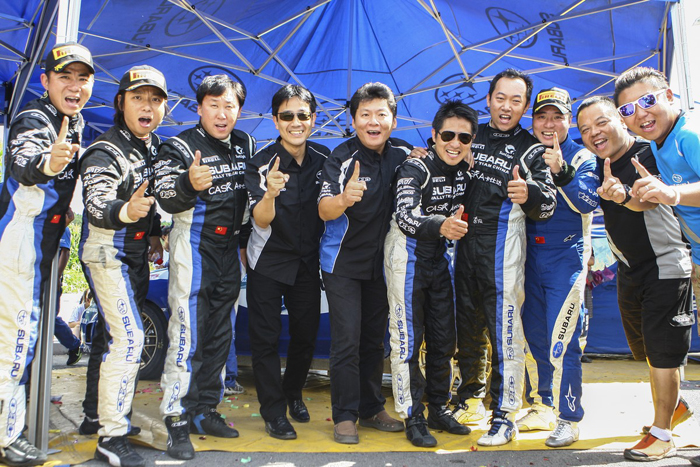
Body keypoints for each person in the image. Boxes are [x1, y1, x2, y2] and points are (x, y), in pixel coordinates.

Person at [576, 96, 693, 462]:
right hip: (630, 269)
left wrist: (624, 195)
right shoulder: (598, 164)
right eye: (585, 129)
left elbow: (649, 199)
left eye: (601, 122)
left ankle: (662, 435)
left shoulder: (648, 153)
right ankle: (675, 406)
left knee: (662, 352)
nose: (594, 133)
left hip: (665, 266)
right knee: (645, 350)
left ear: (620, 119)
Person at [0, 41, 93, 466]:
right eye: (64, 77)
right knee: (16, 341)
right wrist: (48, 164)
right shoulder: (34, 118)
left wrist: (64, 207)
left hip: (44, 245)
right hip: (20, 243)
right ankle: (6, 438)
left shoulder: (74, 121)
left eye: (82, 78)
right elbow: (24, 163)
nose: (74, 86)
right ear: (45, 81)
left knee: (28, 339)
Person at [452, 68, 557, 446]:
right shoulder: (468, 135)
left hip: (503, 253)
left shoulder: (532, 148)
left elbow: (547, 205)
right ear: (488, 99)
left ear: (525, 107)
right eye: (500, 98)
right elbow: (439, 169)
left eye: (515, 100)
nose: (506, 106)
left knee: (505, 334)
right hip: (463, 247)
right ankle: (470, 400)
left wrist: (529, 193)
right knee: (467, 330)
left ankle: (505, 415)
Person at [156, 74, 254, 460]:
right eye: (213, 105)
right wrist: (187, 183)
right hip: (193, 245)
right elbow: (166, 197)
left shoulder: (245, 143)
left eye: (229, 106)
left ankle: (205, 410)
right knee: (187, 335)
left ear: (239, 110)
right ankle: (176, 416)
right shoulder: (178, 146)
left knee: (220, 336)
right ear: (199, 108)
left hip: (230, 249)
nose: (221, 113)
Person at [79, 65, 167, 467]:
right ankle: (111, 436)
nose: (147, 106)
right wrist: (126, 211)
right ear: (120, 103)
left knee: (110, 338)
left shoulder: (154, 145)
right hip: (106, 251)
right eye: (138, 98)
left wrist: (153, 232)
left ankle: (95, 415)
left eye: (155, 99)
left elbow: (152, 197)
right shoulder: (104, 150)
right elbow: (97, 204)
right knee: (130, 339)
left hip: (135, 254)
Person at [318, 82, 410, 444]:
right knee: (347, 340)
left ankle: (372, 408)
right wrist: (344, 198)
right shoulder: (340, 157)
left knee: (374, 341)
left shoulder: (403, 154)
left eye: (381, 114)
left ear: (393, 120)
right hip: (341, 263)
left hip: (381, 264)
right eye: (365, 114)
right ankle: (344, 415)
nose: (373, 122)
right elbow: (324, 210)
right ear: (354, 120)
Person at [384, 100, 476, 447]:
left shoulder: (466, 169)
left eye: (464, 138)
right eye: (448, 135)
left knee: (443, 341)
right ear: (434, 135)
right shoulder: (415, 167)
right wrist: (441, 225)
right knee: (407, 342)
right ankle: (413, 415)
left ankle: (438, 407)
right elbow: (405, 216)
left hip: (439, 258)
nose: (455, 143)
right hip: (406, 257)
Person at [244, 84, 330, 440]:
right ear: (276, 120)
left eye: (302, 115)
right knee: (265, 339)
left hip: (307, 262)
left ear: (313, 119)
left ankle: (293, 392)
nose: (296, 122)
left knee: (305, 336)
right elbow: (260, 219)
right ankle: (274, 412)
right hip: (267, 261)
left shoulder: (325, 158)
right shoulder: (260, 163)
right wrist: (270, 193)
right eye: (287, 116)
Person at [517, 88, 599, 447]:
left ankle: (569, 417)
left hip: (566, 257)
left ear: (569, 121)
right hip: (527, 257)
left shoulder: (582, 156)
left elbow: (588, 202)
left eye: (557, 117)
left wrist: (561, 171)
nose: (549, 124)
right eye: (542, 116)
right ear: (532, 120)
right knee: (532, 336)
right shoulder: (524, 153)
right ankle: (543, 405)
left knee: (562, 340)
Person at [56, 224, 85, 366]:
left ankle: (74, 345)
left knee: (49, 318)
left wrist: (57, 276)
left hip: (51, 282)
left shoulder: (61, 227)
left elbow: (65, 252)